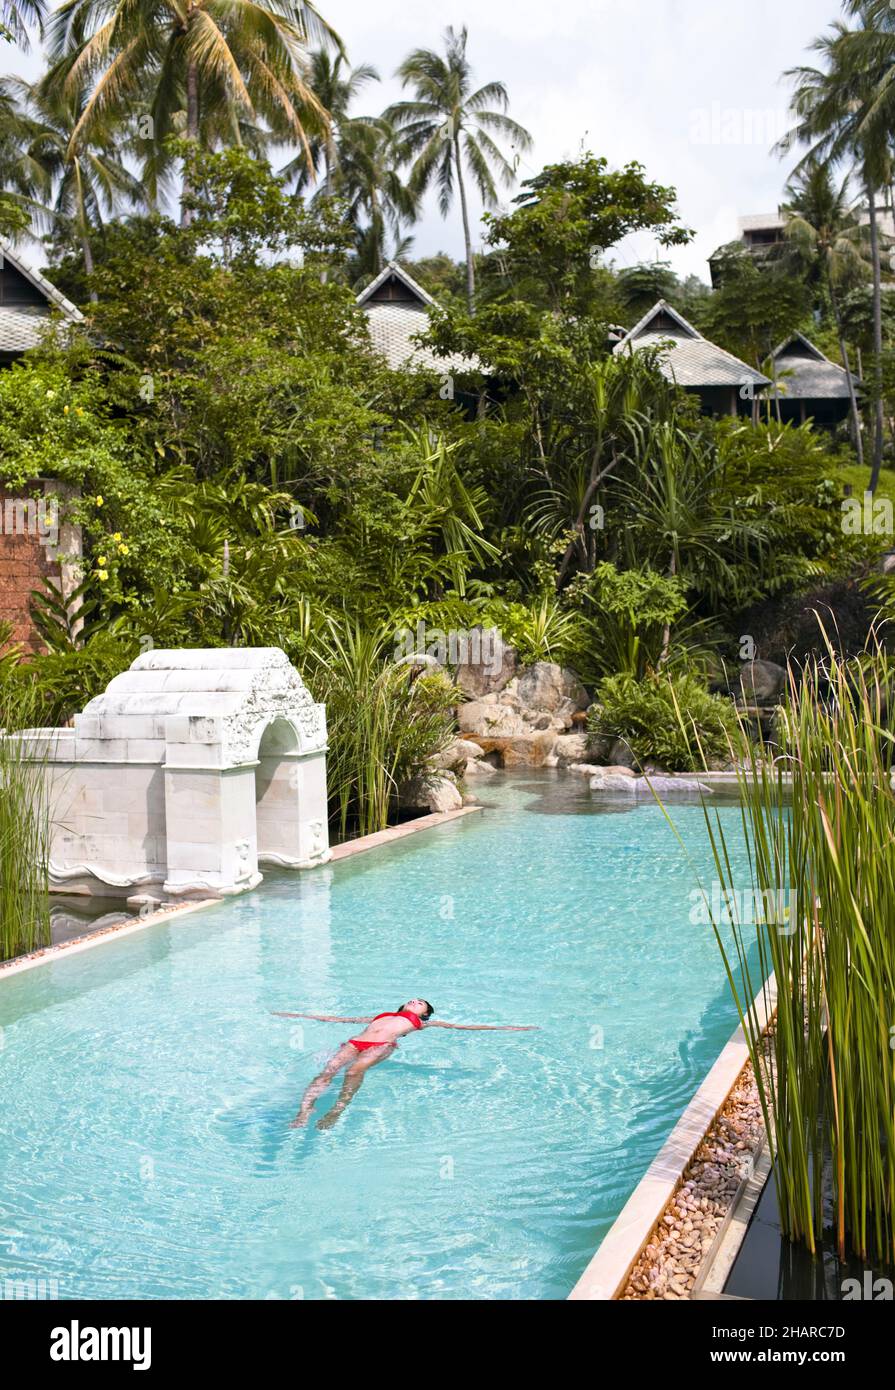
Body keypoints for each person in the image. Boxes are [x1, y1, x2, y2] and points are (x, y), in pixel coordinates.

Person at [274, 998, 537, 1130]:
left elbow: (463, 1026)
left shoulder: (421, 1024)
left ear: (424, 1013)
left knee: (354, 1071)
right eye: (413, 999)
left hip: (381, 1046)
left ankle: (337, 1110)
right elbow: (338, 1019)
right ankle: (304, 1112)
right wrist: (297, 1015)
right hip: (355, 1043)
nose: (415, 1001)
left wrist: (506, 1027)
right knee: (328, 1071)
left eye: (421, 1003)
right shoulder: (382, 1015)